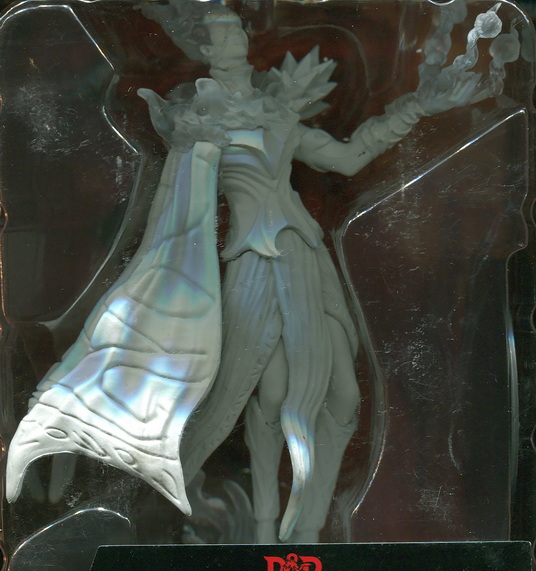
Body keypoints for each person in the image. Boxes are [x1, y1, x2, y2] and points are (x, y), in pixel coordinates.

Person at [5, 0, 519, 543]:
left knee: (344, 395)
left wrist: (416, 106)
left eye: (235, 31)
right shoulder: (199, 117)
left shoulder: (277, 114)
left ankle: (310, 529)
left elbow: (347, 158)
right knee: (267, 395)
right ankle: (262, 530)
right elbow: (178, 205)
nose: (233, 40)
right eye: (220, 33)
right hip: (254, 263)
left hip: (307, 256)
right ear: (205, 48)